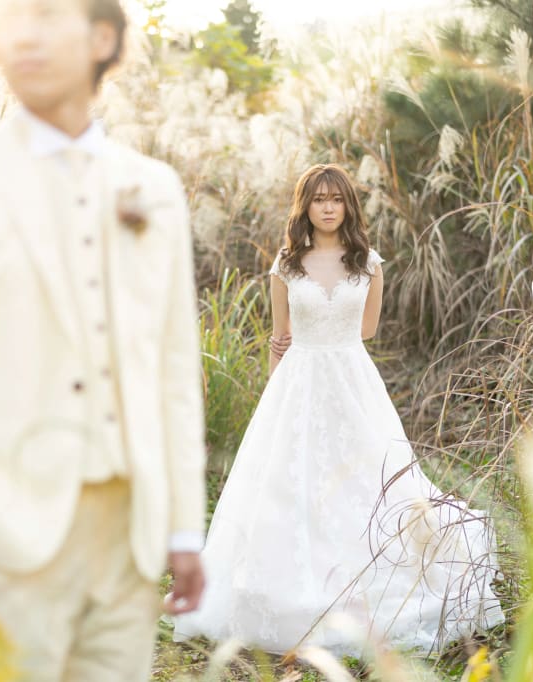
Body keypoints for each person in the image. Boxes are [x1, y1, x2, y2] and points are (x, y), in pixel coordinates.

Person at [0, 1, 207, 679]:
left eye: (48, 13)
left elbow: (173, 368)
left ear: (103, 37)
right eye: (10, 16)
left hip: (131, 542)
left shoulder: (157, 190)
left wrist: (181, 528)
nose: (23, 33)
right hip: (4, 535)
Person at [173, 164, 504, 656]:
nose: (327, 207)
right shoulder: (285, 265)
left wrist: (333, 336)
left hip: (351, 379)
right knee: (290, 479)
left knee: (370, 477)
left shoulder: (368, 263)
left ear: (348, 206)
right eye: (318, 199)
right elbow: (279, 339)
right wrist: (274, 396)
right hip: (297, 384)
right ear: (304, 206)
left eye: (336, 199)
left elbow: (367, 330)